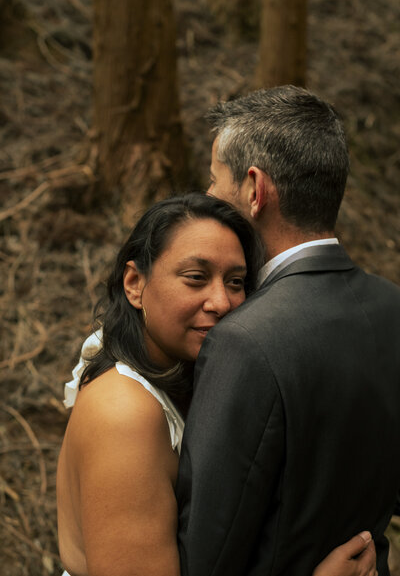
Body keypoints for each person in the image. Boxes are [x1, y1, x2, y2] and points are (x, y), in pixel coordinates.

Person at [57, 193, 376, 576]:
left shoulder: (194, 376)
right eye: (196, 278)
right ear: (134, 284)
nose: (222, 302)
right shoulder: (124, 412)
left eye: (236, 282)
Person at [176, 86, 400, 576]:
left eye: (215, 184)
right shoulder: (392, 306)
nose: (209, 199)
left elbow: (207, 556)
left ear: (255, 191)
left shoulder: (245, 340)